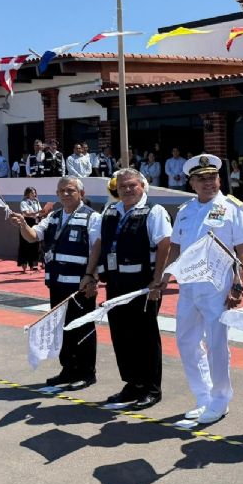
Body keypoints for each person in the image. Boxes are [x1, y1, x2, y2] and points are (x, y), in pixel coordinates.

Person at [162, 154, 243, 423]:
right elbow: (175, 248)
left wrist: (238, 283)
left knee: (216, 344)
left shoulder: (233, 207)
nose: (208, 183)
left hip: (218, 285)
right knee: (186, 341)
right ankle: (203, 396)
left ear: (219, 179)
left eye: (211, 177)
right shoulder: (186, 210)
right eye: (201, 179)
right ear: (191, 183)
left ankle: (220, 400)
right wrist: (164, 277)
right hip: (188, 286)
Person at [85, 168, 172, 410]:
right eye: (122, 186)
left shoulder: (155, 212)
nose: (127, 189)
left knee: (145, 337)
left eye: (132, 185)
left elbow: (164, 244)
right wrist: (90, 273)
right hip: (115, 283)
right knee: (121, 336)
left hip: (143, 285)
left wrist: (157, 280)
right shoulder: (111, 211)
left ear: (143, 186)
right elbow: (99, 243)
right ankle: (132, 384)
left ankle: (151, 388)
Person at [10, 177, 101, 390]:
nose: (65, 194)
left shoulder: (93, 217)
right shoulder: (53, 216)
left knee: (83, 328)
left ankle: (87, 373)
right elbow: (33, 237)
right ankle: (68, 369)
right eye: (61, 191)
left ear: (81, 193)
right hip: (57, 283)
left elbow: (97, 247)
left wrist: (91, 277)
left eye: (70, 190)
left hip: (80, 285)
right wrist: (23, 224)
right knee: (61, 329)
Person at [17, 187, 42, 272]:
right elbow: (26, 213)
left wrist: (43, 212)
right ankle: (24, 264)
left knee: (35, 244)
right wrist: (36, 213)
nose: (34, 194)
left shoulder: (36, 202)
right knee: (25, 244)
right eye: (32, 193)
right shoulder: (24, 202)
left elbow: (40, 212)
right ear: (27, 194)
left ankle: (34, 264)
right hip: (27, 222)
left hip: (35, 222)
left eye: (34, 192)